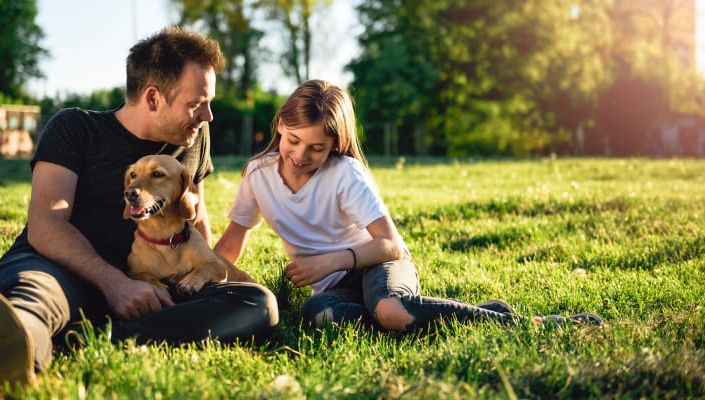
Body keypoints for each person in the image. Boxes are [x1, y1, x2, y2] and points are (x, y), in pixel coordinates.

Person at [0, 27, 279, 394]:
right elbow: (45, 225)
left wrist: (207, 276)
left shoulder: (194, 136)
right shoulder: (74, 128)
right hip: (63, 269)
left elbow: (193, 218)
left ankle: (89, 341)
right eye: (197, 103)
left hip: (152, 282)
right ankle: (9, 347)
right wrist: (115, 283)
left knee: (257, 302)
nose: (209, 116)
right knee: (35, 296)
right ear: (153, 98)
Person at [213, 79, 601, 334]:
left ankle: (528, 323)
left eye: (317, 148)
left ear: (334, 146)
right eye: (294, 140)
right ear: (280, 124)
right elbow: (231, 241)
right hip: (336, 288)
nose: (301, 155)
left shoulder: (345, 173)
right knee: (320, 316)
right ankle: (468, 312)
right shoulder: (258, 174)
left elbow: (390, 246)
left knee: (390, 312)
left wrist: (329, 261)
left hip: (377, 264)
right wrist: (203, 281)